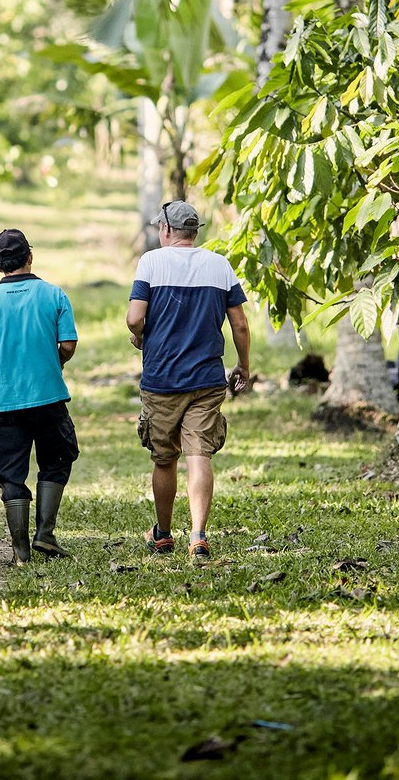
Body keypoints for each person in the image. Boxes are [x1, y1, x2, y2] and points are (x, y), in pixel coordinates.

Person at [126, 200, 250, 566]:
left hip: (162, 380)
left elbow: (135, 318)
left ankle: (163, 535)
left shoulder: (151, 261)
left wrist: (142, 337)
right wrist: (243, 365)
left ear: (166, 230)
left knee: (165, 458)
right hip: (207, 379)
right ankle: (198, 536)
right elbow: (240, 324)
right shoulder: (219, 265)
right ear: (194, 232)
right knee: (200, 455)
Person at [0, 229, 79, 565]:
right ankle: (45, 533)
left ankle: (20, 551)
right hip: (49, 398)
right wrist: (52, 361)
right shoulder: (54, 295)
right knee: (58, 460)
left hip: (5, 403)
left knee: (9, 474)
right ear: (29, 257)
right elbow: (69, 344)